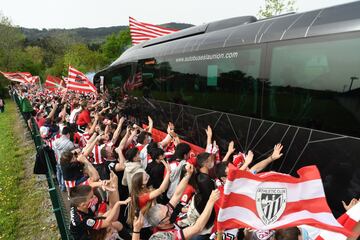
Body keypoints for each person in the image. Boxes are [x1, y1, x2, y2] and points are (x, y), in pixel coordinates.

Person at [146, 163, 220, 240]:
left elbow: (177, 195)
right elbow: (198, 228)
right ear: (160, 224)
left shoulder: (165, 213)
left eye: (168, 209)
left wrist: (187, 175)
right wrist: (211, 201)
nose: (171, 211)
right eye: (167, 214)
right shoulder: (167, 236)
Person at [52, 126, 75, 191]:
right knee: (63, 175)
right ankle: (63, 188)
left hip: (58, 160)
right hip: (65, 163)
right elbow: (72, 154)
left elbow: (53, 149)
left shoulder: (55, 141)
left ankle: (60, 185)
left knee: (58, 173)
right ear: (68, 134)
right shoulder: (69, 143)